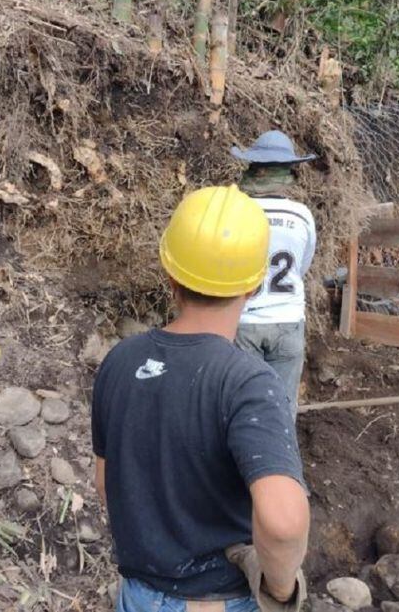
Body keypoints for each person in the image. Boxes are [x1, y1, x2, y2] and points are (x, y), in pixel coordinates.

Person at [91, 185, 310, 612]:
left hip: (136, 595)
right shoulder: (249, 382)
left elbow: (107, 484)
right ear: (254, 284)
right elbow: (284, 523)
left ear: (171, 275)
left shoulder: (119, 361)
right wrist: (279, 588)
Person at [230, 131, 318, 411]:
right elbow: (302, 266)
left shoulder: (237, 212)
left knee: (243, 403)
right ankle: (281, 453)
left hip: (245, 320)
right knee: (282, 406)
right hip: (289, 320)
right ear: (288, 174)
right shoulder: (302, 215)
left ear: (254, 169)